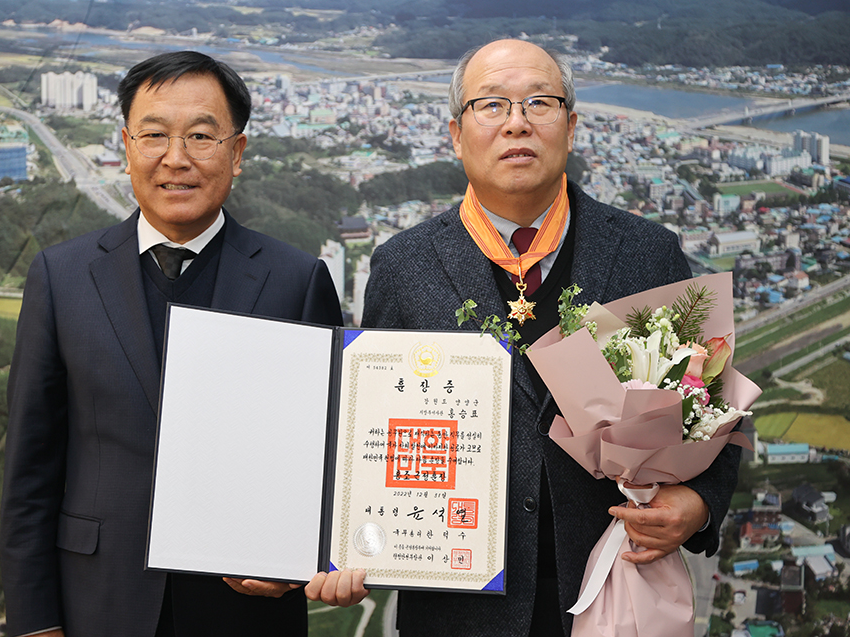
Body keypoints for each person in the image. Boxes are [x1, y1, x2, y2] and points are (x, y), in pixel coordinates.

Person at [306, 39, 740, 635]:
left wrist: (699, 505)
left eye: (540, 103)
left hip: (611, 586)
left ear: (571, 125)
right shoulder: (403, 266)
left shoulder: (645, 251)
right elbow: (374, 428)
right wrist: (353, 545)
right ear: (456, 133)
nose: (517, 123)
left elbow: (706, 409)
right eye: (492, 105)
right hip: (459, 604)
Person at [0, 51, 343, 637]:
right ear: (127, 145)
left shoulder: (296, 280)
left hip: (245, 610)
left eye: (201, 136)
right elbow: (30, 471)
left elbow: (329, 458)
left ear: (236, 153)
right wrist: (35, 624)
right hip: (97, 600)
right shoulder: (62, 276)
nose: (175, 158)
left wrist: (301, 562)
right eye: (154, 135)